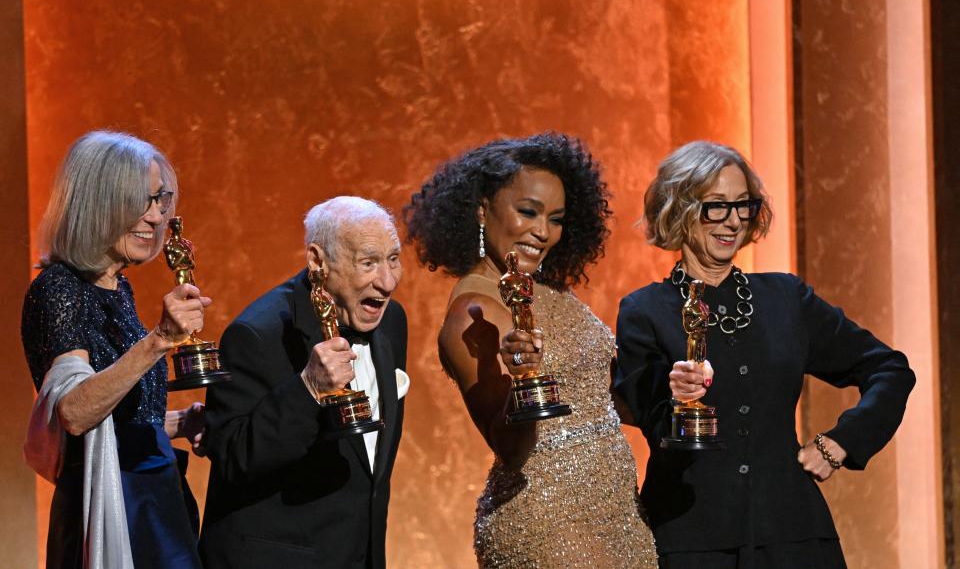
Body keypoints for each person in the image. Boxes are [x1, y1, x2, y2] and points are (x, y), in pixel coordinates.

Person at [614, 140, 916, 568]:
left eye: (744, 205)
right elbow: (651, 419)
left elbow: (890, 369)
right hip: (692, 541)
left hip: (793, 536)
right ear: (679, 209)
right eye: (716, 205)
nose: (733, 220)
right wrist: (677, 398)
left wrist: (842, 442)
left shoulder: (785, 299)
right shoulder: (644, 310)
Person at [405, 132, 657, 568]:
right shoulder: (473, 313)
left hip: (621, 517)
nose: (543, 232)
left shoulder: (544, 288)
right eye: (528, 212)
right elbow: (512, 447)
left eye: (556, 219)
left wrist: (676, 385)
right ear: (482, 210)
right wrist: (525, 377)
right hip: (548, 523)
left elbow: (607, 400)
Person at [21, 131, 207, 568]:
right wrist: (159, 340)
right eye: (137, 202)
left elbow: (118, 417)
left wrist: (179, 422)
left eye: (159, 200)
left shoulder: (116, 285)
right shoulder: (59, 289)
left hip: (155, 499)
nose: (154, 217)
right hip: (117, 506)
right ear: (95, 205)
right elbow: (75, 412)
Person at [199, 196, 409, 569]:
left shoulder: (390, 322)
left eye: (393, 259)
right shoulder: (256, 334)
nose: (388, 281)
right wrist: (308, 389)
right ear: (317, 261)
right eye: (369, 263)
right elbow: (232, 458)